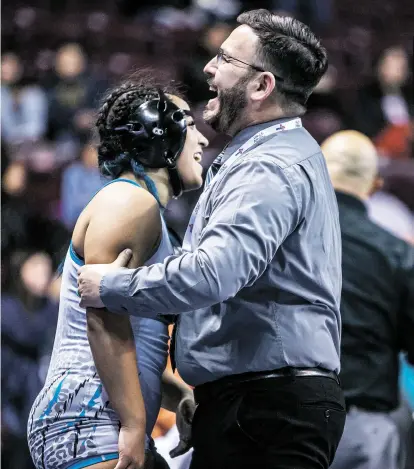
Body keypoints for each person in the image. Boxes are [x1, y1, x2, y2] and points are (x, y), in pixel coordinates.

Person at [78, 10, 345, 469]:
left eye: (224, 58)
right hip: (257, 405)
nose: (208, 67)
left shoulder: (269, 167)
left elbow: (212, 274)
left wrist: (111, 287)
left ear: (262, 86)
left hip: (266, 410)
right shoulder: (269, 156)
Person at [27, 75, 208, 469]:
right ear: (160, 134)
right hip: (93, 419)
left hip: (95, 416)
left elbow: (132, 341)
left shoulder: (145, 212)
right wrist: (133, 424)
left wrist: (177, 398)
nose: (204, 141)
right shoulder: (129, 203)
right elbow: (103, 322)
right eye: (191, 126)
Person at [320, 130, 414, 469]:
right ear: (374, 185)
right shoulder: (398, 254)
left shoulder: (274, 238)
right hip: (363, 431)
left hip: (278, 421)